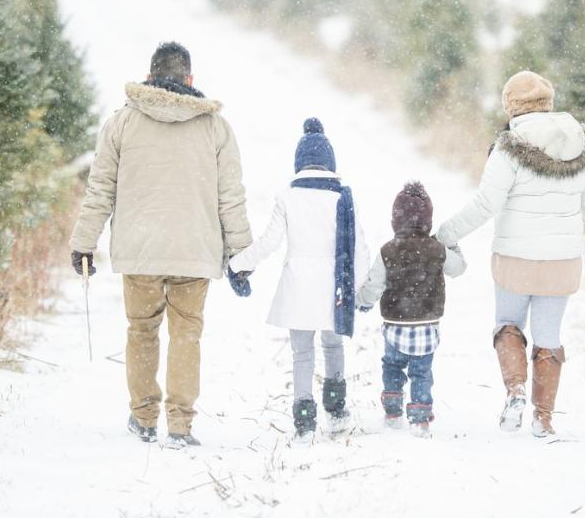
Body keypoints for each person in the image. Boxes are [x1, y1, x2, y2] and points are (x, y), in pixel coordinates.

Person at [69, 41, 251, 450]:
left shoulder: (122, 124)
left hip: (141, 250)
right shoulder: (215, 128)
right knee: (187, 335)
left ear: (150, 76)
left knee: (141, 331)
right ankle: (181, 425)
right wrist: (241, 252)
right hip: (195, 251)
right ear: (189, 79)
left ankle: (144, 417)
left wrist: (84, 243)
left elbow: (100, 189)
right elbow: (231, 197)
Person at [435, 70, 585, 438]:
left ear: (512, 106)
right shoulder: (583, 145)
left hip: (515, 258)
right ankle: (543, 418)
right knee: (549, 336)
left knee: (508, 325)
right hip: (561, 262)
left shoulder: (508, 146)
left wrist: (446, 234)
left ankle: (515, 392)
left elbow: (486, 204)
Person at [228, 118, 369, 444]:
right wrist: (363, 289)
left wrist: (239, 264)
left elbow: (269, 242)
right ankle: (335, 412)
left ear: (299, 164)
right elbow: (358, 246)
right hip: (335, 289)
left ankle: (304, 421)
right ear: (330, 163)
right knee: (333, 346)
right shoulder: (343, 197)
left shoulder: (288, 196)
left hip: (298, 289)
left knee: (302, 353)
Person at [356, 182, 466, 438]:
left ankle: (393, 409)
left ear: (396, 219)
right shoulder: (436, 248)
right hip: (427, 325)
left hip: (396, 323)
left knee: (392, 365)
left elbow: (374, 283)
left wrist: (363, 301)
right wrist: (452, 244)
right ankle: (420, 417)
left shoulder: (388, 250)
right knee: (421, 371)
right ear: (428, 219)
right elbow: (458, 268)